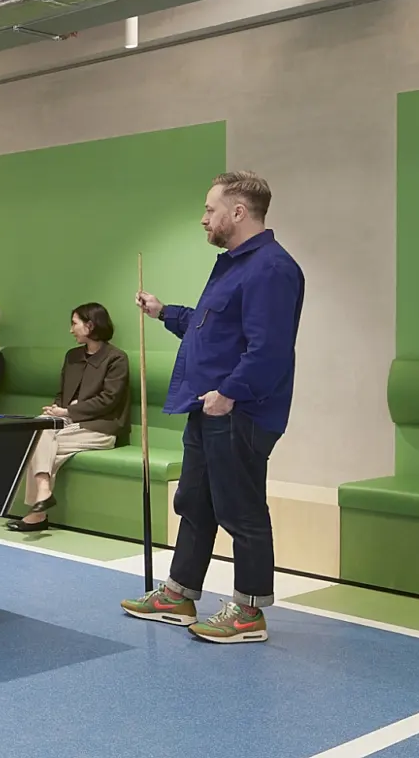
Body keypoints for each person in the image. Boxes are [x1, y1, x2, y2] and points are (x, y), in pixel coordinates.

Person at [120, 171, 305, 645]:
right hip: (208, 408)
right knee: (196, 503)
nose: (204, 219)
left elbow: (269, 351)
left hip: (239, 410)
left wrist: (230, 393)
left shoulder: (271, 269)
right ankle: (178, 595)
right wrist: (164, 312)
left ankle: (248, 612)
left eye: (210, 209)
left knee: (241, 509)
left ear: (238, 212)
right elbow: (210, 330)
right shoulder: (232, 267)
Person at [6, 303, 129, 532]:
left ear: (90, 325)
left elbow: (109, 400)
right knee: (39, 428)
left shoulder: (116, 359)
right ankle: (43, 495)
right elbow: (62, 393)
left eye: (74, 324)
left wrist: (70, 412)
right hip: (68, 424)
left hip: (101, 428)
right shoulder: (72, 356)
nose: (71, 330)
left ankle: (38, 511)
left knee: (38, 443)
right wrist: (56, 409)